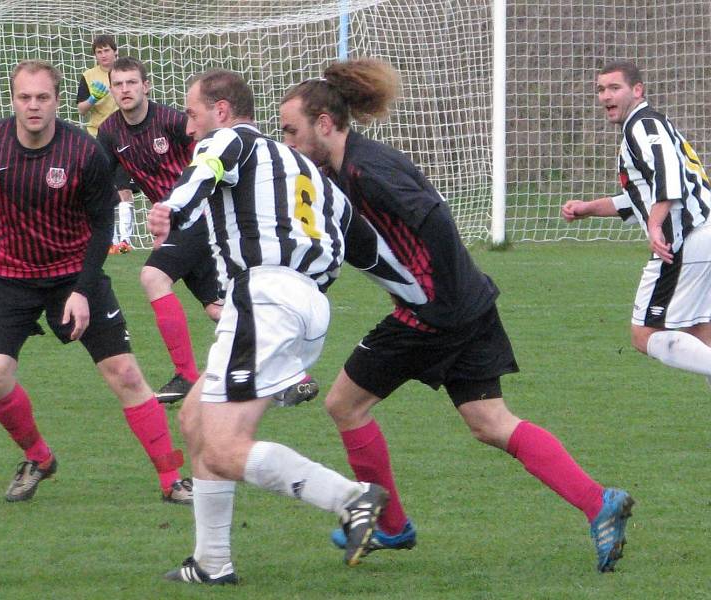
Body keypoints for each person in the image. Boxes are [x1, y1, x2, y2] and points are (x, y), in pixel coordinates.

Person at [279, 58, 633, 573]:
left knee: (345, 405)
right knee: (490, 422)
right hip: (464, 305)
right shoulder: (346, 168)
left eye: (291, 130)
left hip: (435, 313)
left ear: (325, 125)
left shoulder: (365, 169)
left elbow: (432, 215)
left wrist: (439, 300)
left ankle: (392, 526)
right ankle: (598, 501)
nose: (287, 141)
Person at [147, 69, 430, 585]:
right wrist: (419, 295)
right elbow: (367, 247)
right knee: (195, 418)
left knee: (225, 446)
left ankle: (350, 498)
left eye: (192, 115)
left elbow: (205, 167)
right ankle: (212, 562)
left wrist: (172, 206)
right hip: (307, 307)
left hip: (267, 297)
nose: (188, 129)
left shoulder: (232, 140)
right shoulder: (316, 177)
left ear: (223, 112)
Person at [0, 59, 192, 505]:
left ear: (56, 100)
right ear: (13, 100)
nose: (33, 106)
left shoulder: (83, 152)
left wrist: (83, 291)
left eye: (43, 97)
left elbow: (102, 224)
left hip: (73, 271)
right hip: (8, 277)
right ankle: (40, 458)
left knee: (125, 373)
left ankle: (172, 481)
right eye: (24, 97)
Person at [98, 57, 320, 407]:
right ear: (111, 89)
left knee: (153, 276)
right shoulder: (110, 132)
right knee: (220, 308)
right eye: (118, 84)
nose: (125, 89)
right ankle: (291, 375)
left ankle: (186, 375)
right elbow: (100, 178)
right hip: (181, 223)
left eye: (131, 82)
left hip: (196, 215)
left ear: (146, 86)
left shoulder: (173, 121)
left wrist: (172, 209)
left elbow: (208, 166)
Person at [561, 60, 711, 386]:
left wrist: (656, 225)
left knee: (644, 335)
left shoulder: (642, 125)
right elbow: (641, 198)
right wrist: (590, 208)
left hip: (684, 240)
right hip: (703, 235)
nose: (605, 96)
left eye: (615, 88)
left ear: (637, 90)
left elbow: (667, 176)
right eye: (601, 89)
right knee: (701, 335)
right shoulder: (646, 126)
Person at [75, 34, 136, 254]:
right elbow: (81, 109)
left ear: (115, 51)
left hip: (125, 137)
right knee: (103, 189)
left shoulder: (126, 75)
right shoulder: (89, 76)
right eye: (99, 52)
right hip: (97, 138)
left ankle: (125, 241)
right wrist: (92, 99)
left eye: (107, 50)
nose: (103, 55)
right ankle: (109, 240)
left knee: (124, 187)